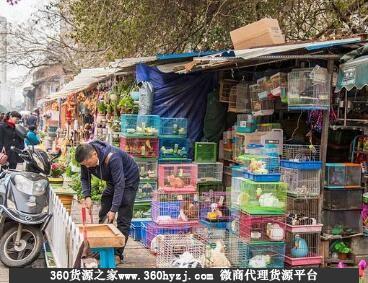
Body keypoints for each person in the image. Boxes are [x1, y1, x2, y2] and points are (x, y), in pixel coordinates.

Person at [74, 140, 140, 261]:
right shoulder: (86, 157)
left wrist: (114, 209)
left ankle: (117, 254)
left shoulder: (112, 157)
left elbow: (120, 184)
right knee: (104, 209)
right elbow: (84, 178)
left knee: (123, 217)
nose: (87, 167)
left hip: (128, 180)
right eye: (84, 165)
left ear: (94, 154)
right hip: (112, 180)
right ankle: (102, 246)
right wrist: (87, 196)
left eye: (88, 163)